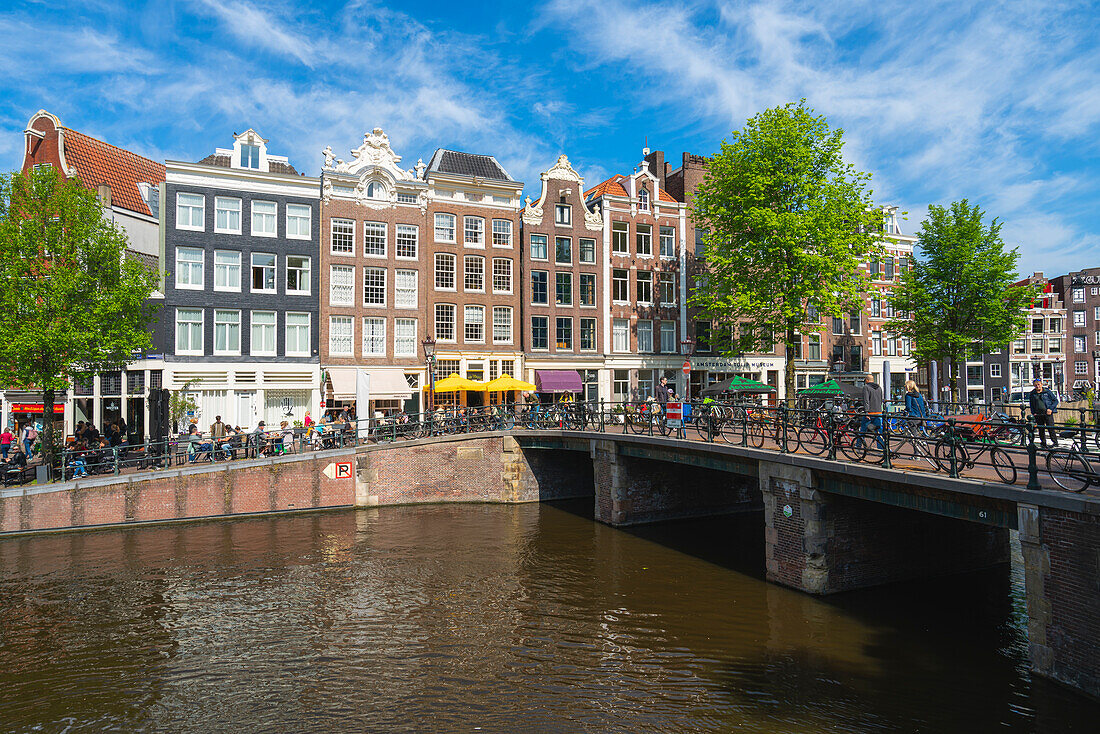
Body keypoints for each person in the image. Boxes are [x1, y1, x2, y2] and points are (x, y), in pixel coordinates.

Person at [1029, 378, 1059, 448]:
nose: (1037, 386)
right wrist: (1033, 412)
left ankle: (1055, 442)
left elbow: (1055, 401)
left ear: (1041, 385)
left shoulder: (1047, 392)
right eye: (1036, 385)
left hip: (1047, 413)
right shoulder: (1032, 394)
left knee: (1050, 428)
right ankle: (1043, 442)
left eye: (1039, 385)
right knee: (1041, 429)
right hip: (1038, 414)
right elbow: (1031, 404)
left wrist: (1050, 409)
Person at [860, 374, 885, 450]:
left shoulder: (866, 387)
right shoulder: (879, 388)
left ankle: (858, 446)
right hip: (878, 412)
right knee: (879, 431)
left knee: (863, 430)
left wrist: (866, 411)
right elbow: (881, 399)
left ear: (867, 380)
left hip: (870, 413)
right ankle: (881, 447)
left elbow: (866, 400)